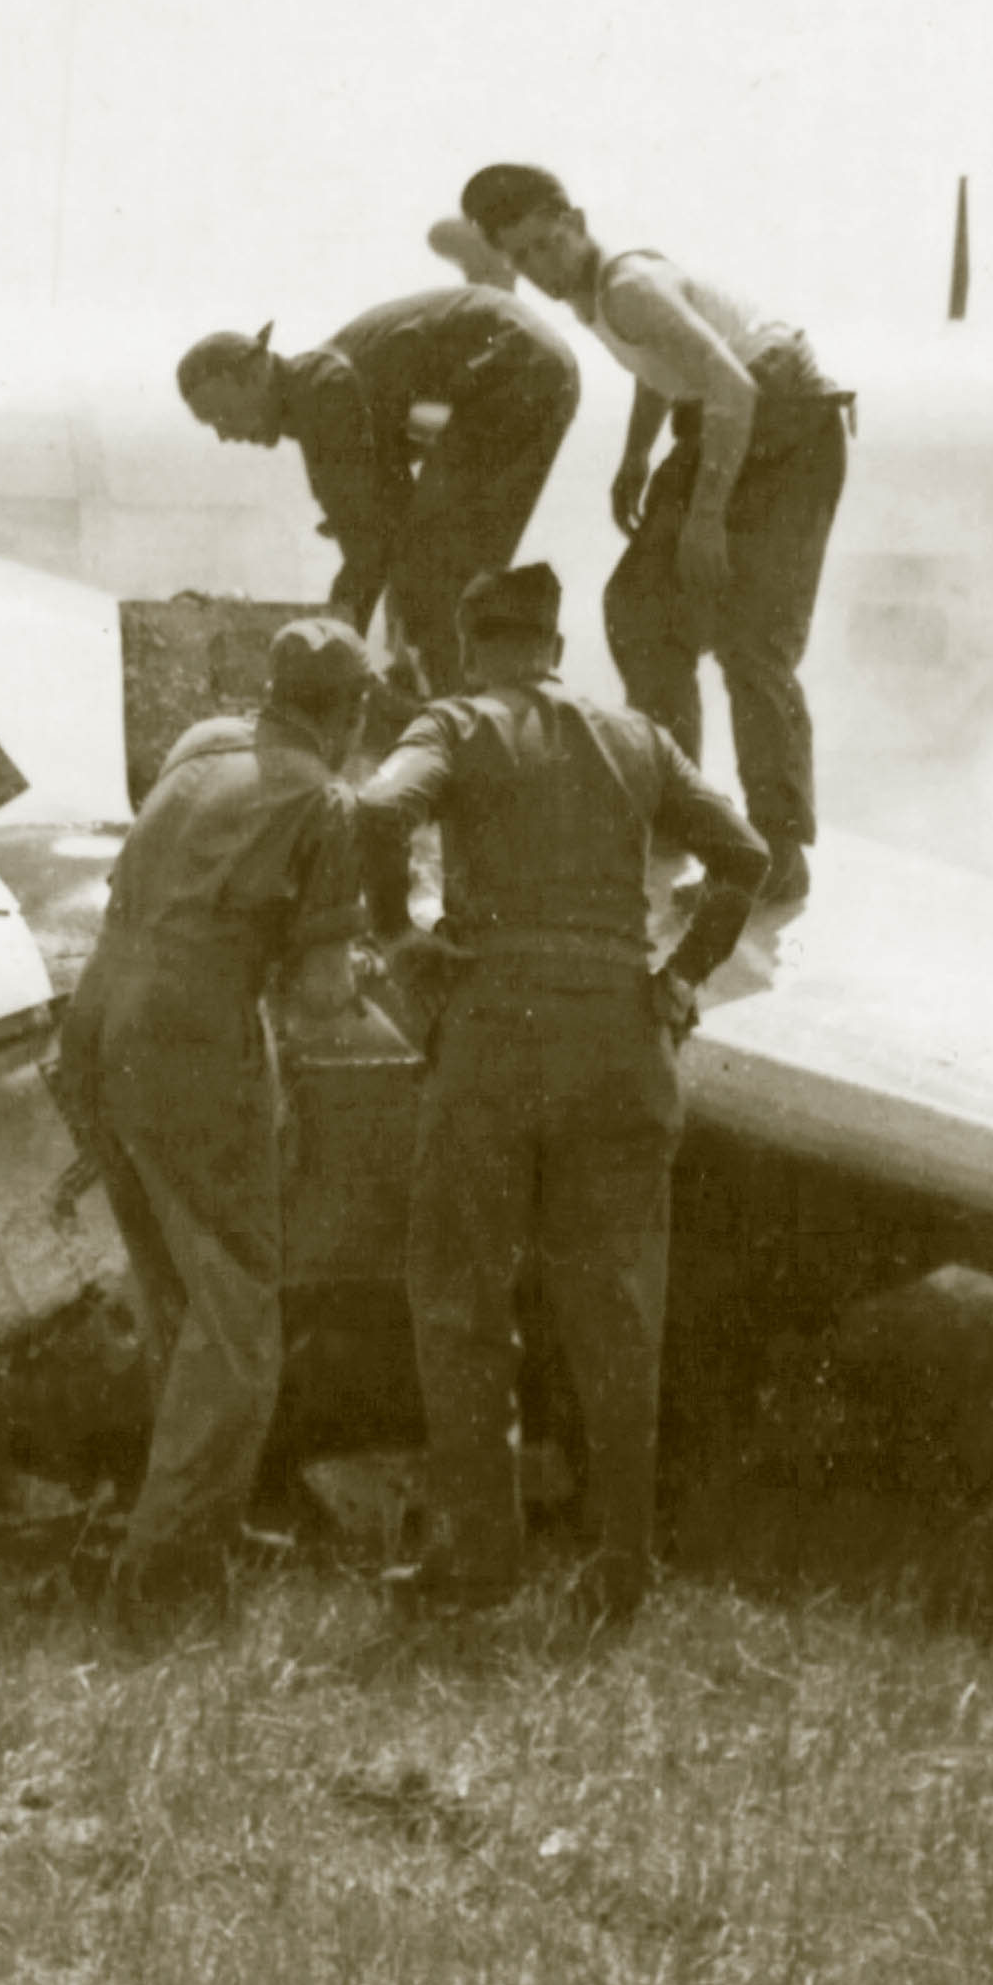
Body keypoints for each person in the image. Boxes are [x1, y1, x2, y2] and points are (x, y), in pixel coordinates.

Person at [351, 561, 768, 1622]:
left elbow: (377, 808)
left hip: (496, 1032)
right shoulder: (636, 736)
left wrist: (399, 934)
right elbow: (745, 853)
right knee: (620, 1310)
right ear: (556, 648)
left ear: (467, 643)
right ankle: (621, 1565)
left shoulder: (454, 721)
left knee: (462, 1296)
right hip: (622, 1038)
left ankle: (479, 1560)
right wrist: (677, 978)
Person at [54, 617, 370, 1615]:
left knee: (178, 1303)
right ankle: (166, 1569)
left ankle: (189, 1519)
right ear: (352, 710)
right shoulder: (324, 800)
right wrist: (390, 958)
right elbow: (321, 994)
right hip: (189, 1035)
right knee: (237, 1322)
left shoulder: (200, 744)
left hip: (99, 1021)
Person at [456, 162, 848, 909]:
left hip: (786, 421)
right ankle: (677, 815)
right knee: (640, 608)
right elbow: (664, 364)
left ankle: (776, 854)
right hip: (726, 418)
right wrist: (638, 451)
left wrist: (704, 518)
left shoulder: (629, 285)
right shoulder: (598, 294)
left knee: (749, 638)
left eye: (546, 243)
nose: (539, 268)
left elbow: (734, 385)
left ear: (574, 220)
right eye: (521, 256)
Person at [176, 287, 581, 698]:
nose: (224, 435)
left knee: (431, 579)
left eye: (220, 415)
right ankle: (452, 703)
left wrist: (323, 657)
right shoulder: (320, 386)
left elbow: (368, 555)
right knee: (429, 575)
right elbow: (390, 521)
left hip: (518, 371)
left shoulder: (321, 396)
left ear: (254, 375)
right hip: (524, 367)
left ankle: (457, 720)